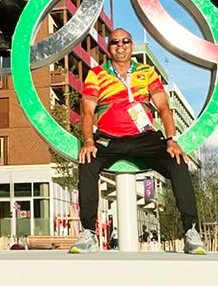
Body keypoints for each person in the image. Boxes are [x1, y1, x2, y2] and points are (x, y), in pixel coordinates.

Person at [69, 28, 206, 255]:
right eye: (115, 42)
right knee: (87, 162)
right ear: (108, 47)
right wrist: (88, 141)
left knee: (178, 162)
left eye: (125, 41)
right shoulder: (96, 74)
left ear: (131, 46)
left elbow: (163, 107)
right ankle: (88, 232)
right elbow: (87, 112)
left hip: (144, 137)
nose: (120, 45)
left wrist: (171, 139)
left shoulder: (147, 72)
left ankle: (191, 232)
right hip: (109, 138)